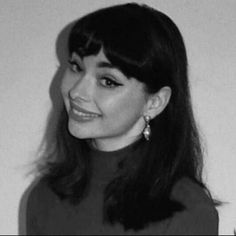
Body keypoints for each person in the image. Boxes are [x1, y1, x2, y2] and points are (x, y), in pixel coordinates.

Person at [26, 2, 219, 235]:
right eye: (76, 66)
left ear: (154, 102)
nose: (77, 92)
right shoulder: (45, 196)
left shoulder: (187, 210)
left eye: (107, 81)